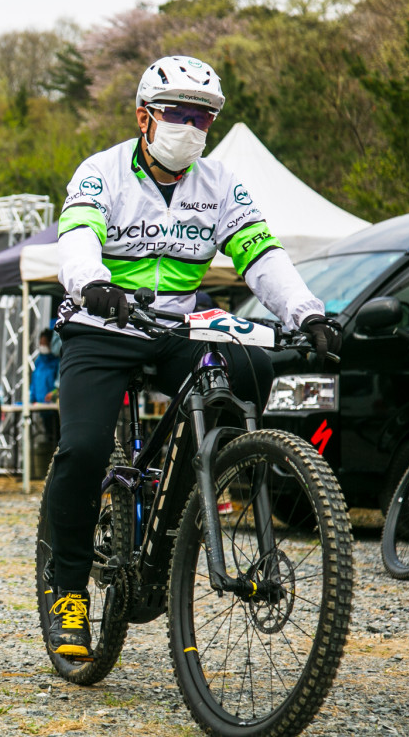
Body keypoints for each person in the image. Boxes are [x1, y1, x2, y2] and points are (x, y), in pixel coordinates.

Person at [44, 55, 341, 659]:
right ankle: (67, 589)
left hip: (176, 324)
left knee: (249, 371)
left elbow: (261, 256)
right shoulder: (101, 171)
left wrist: (306, 313)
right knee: (82, 447)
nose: (190, 127)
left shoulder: (221, 184)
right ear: (143, 116)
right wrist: (91, 282)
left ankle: (177, 516)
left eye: (202, 117)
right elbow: (77, 237)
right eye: (177, 113)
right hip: (103, 322)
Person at [31, 328, 60, 442]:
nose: (42, 345)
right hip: (41, 405)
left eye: (44, 342)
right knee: (48, 436)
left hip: (54, 407)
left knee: (57, 436)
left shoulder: (57, 361)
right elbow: (34, 382)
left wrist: (53, 394)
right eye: (41, 342)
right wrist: (31, 398)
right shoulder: (39, 361)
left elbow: (59, 384)